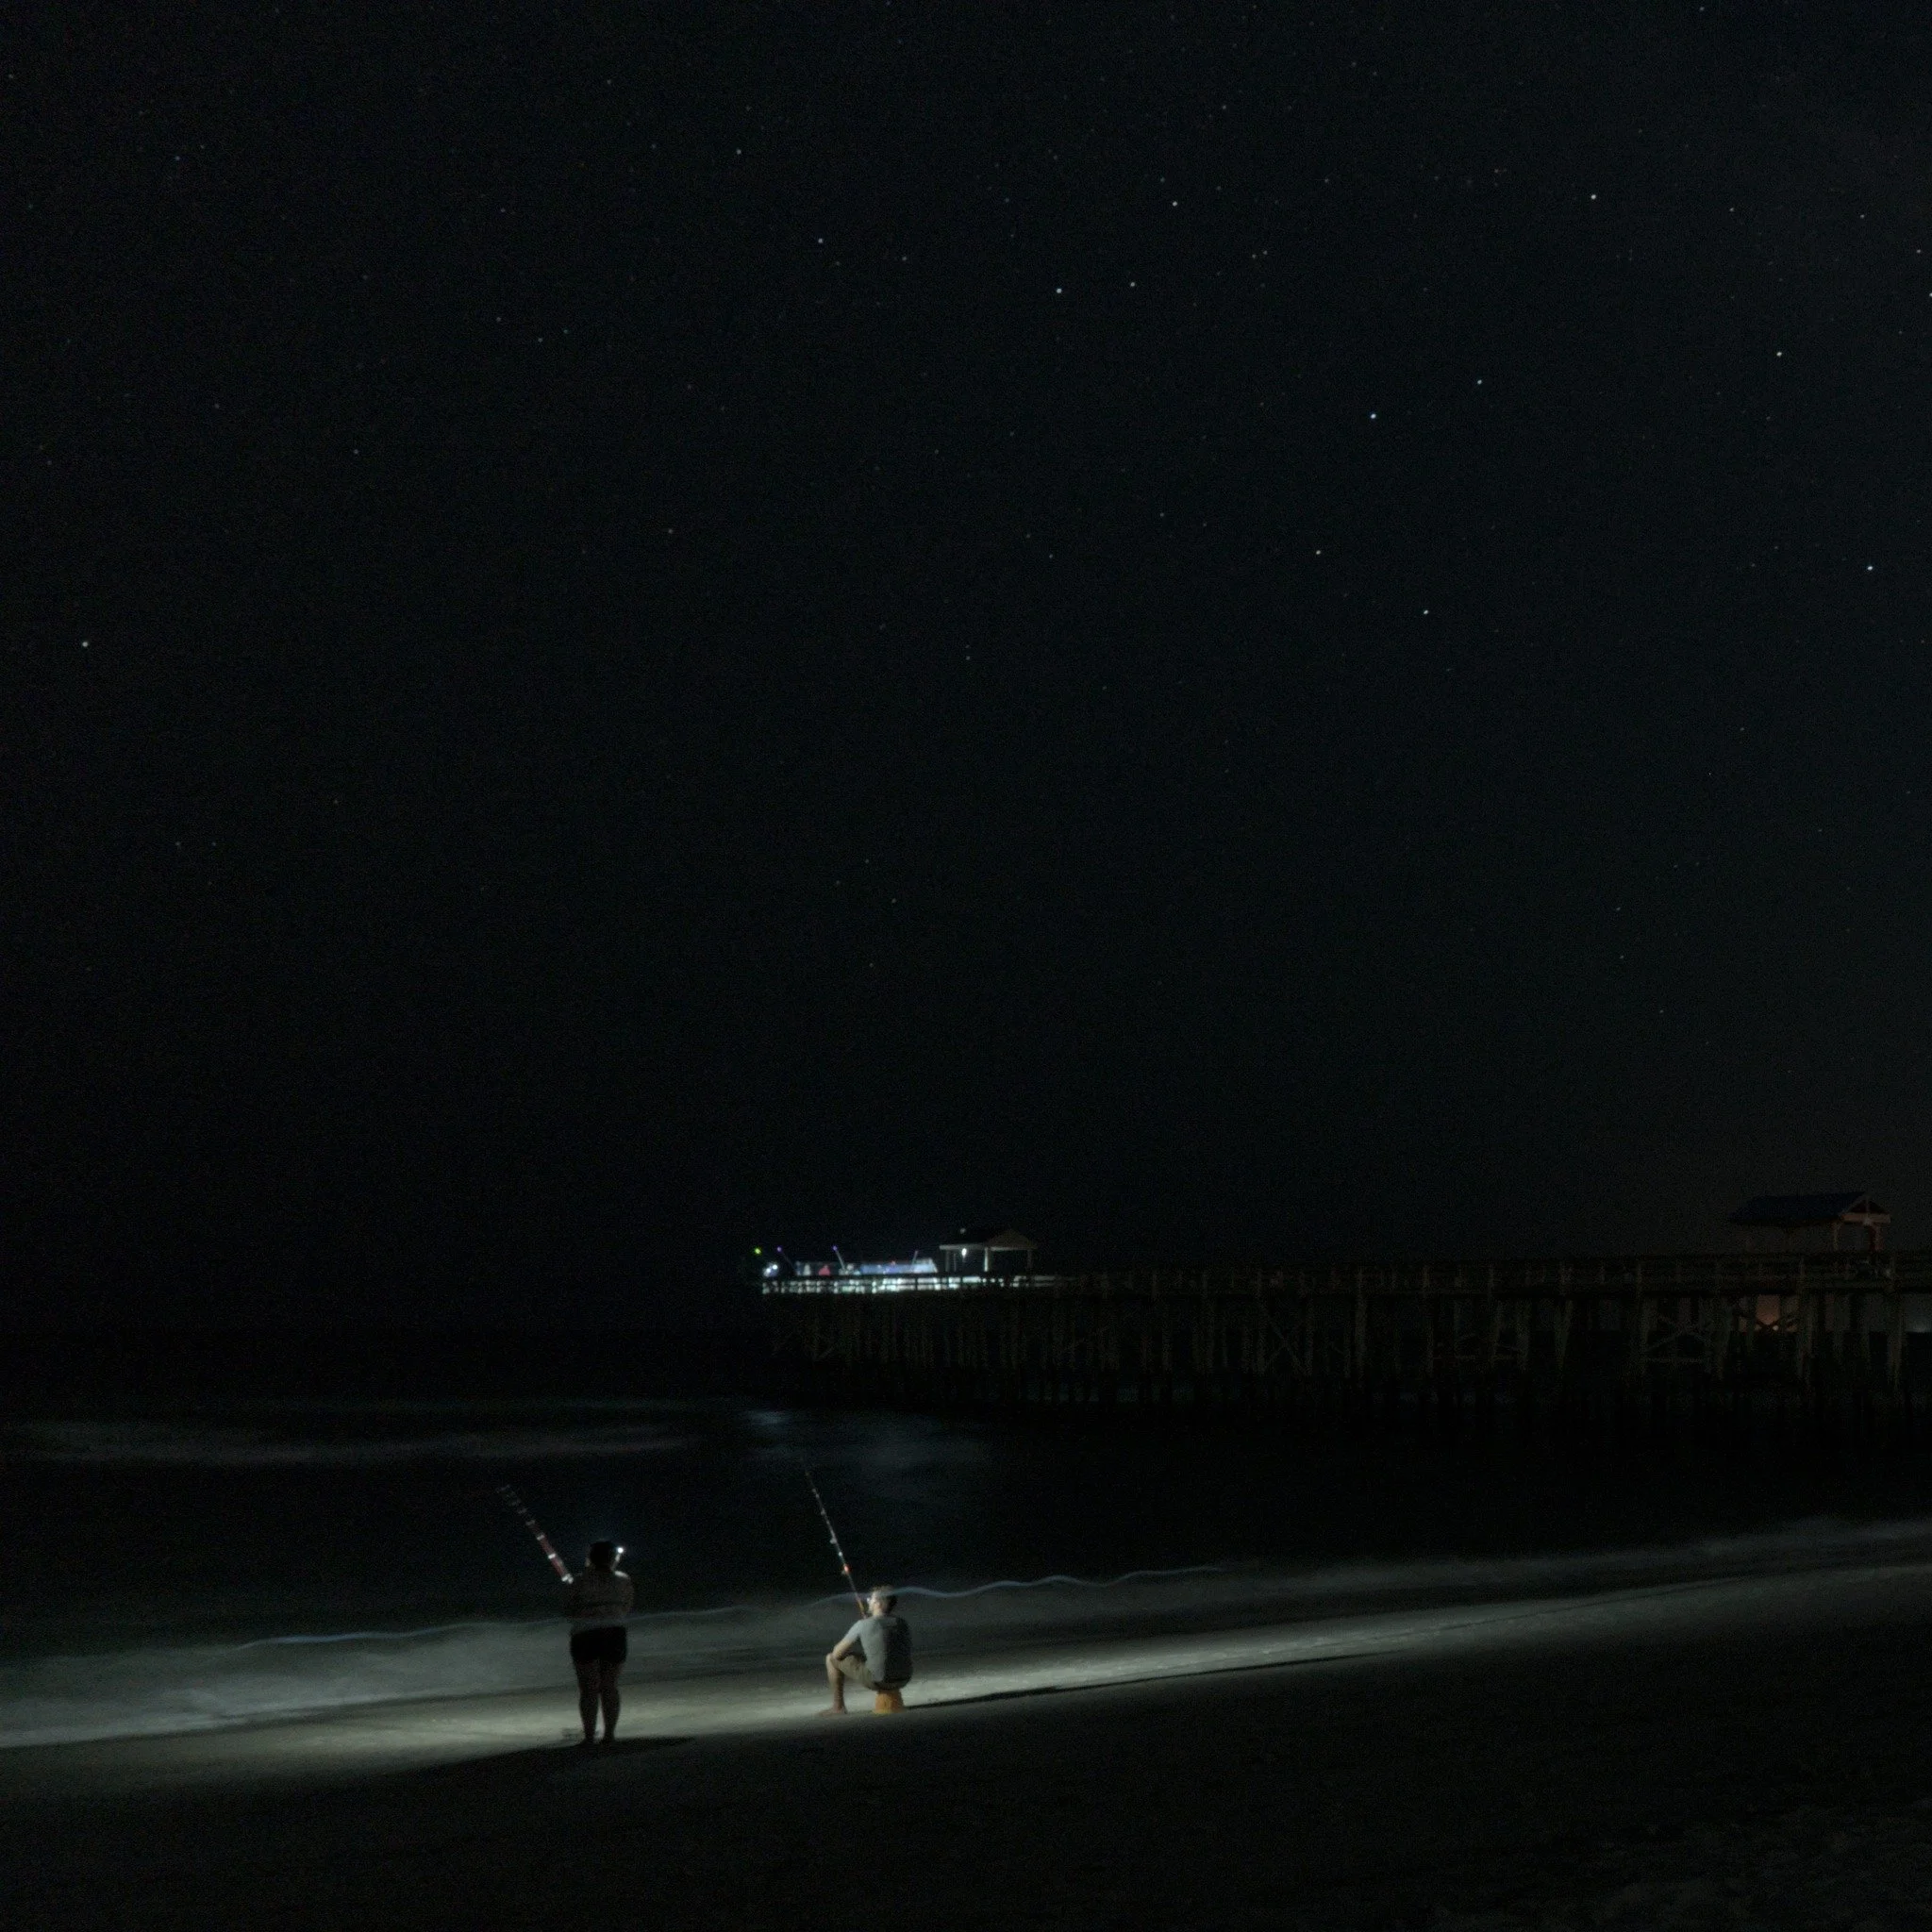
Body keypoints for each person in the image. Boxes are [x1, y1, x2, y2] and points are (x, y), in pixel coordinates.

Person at [563, 1540, 634, 1743]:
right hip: (614, 1633)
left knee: (588, 1689)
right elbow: (626, 1607)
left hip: (585, 1634)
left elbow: (568, 1611)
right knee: (610, 1686)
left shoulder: (578, 1581)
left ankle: (588, 1737)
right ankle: (609, 1735)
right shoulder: (623, 1580)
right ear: (613, 1558)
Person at [823, 1587, 913, 1713]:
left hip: (879, 1680)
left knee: (830, 1658)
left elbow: (837, 1653)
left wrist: (861, 1629)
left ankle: (838, 1707)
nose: (868, 1601)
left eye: (871, 1599)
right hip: (904, 1678)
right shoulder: (902, 1623)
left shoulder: (863, 1624)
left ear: (879, 1604)